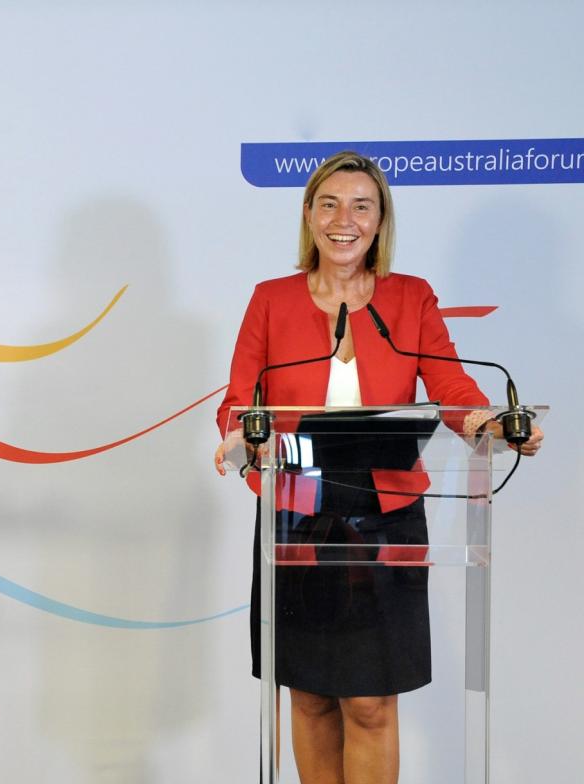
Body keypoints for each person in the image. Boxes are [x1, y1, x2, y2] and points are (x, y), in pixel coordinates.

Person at [212, 150, 543, 783]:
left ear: (380, 218)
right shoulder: (270, 300)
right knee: (308, 696)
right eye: (330, 203)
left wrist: (491, 425)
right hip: (295, 512)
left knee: (369, 702)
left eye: (362, 205)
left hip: (385, 518)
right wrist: (240, 441)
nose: (345, 219)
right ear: (308, 215)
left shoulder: (410, 298)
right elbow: (240, 402)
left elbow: (452, 390)